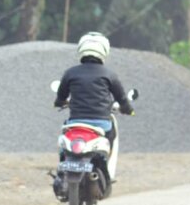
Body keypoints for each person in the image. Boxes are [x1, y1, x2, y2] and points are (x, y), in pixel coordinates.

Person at [53, 32, 134, 192]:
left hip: (75, 122)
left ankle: (63, 164)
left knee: (64, 135)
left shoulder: (70, 73)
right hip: (101, 123)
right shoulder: (109, 74)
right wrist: (128, 110)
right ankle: (105, 167)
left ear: (81, 49)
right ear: (104, 51)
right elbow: (122, 98)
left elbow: (60, 97)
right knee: (111, 135)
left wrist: (59, 103)